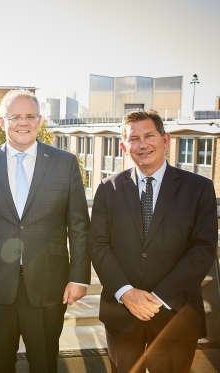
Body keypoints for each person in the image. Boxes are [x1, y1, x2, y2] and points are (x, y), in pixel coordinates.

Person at [0, 89, 90, 373]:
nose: (23, 122)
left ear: (40, 120)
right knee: (0, 362)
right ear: (2, 122)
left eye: (30, 116)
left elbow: (79, 225)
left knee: (44, 362)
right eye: (15, 116)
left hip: (49, 282)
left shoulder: (64, 163)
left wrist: (80, 277)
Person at [89, 109, 218, 373]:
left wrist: (159, 297)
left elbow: (204, 248)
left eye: (149, 135)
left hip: (176, 313)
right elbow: (98, 245)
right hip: (122, 312)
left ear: (165, 139)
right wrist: (126, 293)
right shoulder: (107, 188)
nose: (142, 144)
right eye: (134, 138)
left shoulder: (199, 188)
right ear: (125, 147)